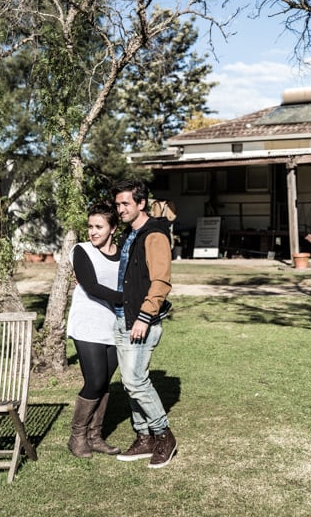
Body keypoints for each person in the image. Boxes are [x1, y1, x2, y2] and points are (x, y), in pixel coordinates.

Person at [112, 179, 177, 468]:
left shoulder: (154, 235)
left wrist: (144, 316)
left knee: (136, 381)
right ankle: (144, 437)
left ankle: (164, 436)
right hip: (123, 317)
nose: (120, 209)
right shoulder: (131, 234)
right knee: (129, 383)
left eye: (126, 203)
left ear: (141, 203)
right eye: (117, 204)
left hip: (141, 320)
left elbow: (161, 281)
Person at [65, 201, 124, 457]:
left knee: (105, 383)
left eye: (99, 226)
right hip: (87, 324)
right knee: (95, 380)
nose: (93, 231)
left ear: (112, 228)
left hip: (112, 325)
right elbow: (92, 287)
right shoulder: (81, 251)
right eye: (90, 226)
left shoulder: (123, 254)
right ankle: (77, 437)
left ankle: (95, 436)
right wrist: (127, 298)